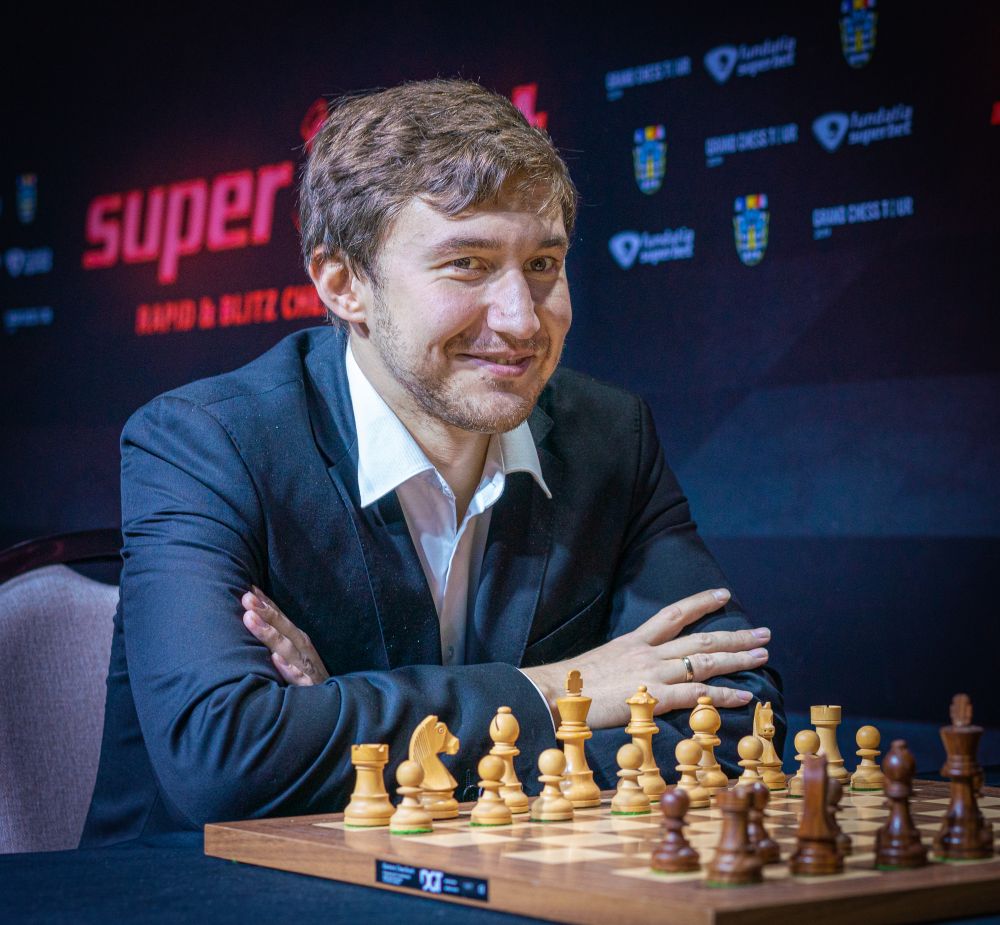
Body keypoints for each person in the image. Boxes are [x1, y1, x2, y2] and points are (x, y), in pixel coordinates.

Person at [82, 79, 783, 846]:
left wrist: (338, 713)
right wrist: (558, 692)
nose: (521, 319)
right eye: (467, 264)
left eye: (543, 263)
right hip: (206, 887)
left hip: (506, 880)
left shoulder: (611, 435)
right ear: (344, 283)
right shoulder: (206, 442)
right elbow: (227, 759)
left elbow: (736, 711)